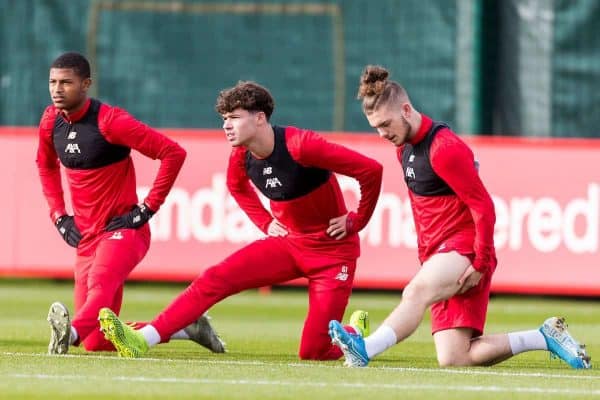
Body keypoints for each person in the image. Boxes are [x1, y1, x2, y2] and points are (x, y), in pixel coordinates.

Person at [96, 80, 383, 360]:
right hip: (290, 244)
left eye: (234, 117)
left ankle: (354, 332)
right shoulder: (241, 155)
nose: (226, 125)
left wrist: (356, 220)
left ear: (260, 118)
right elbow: (237, 187)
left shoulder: (301, 145)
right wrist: (264, 222)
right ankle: (143, 339)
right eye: (224, 118)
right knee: (215, 277)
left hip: (333, 255)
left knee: (313, 352)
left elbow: (371, 170)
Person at [328, 65, 591, 369]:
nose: (382, 133)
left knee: (415, 291)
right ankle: (545, 337)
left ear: (405, 109)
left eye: (386, 124)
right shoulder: (404, 149)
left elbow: (484, 207)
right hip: (439, 254)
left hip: (466, 250)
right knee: (455, 357)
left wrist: (481, 261)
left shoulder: (445, 148)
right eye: (375, 127)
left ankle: (365, 349)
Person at [36, 52, 224, 355]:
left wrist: (147, 208)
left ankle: (68, 334)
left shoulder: (111, 121)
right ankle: (185, 328)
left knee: (101, 283)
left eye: (66, 83)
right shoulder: (49, 122)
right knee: (97, 341)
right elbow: (45, 166)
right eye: (52, 82)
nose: (57, 89)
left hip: (123, 231)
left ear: (86, 84)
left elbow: (172, 153)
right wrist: (59, 215)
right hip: (87, 237)